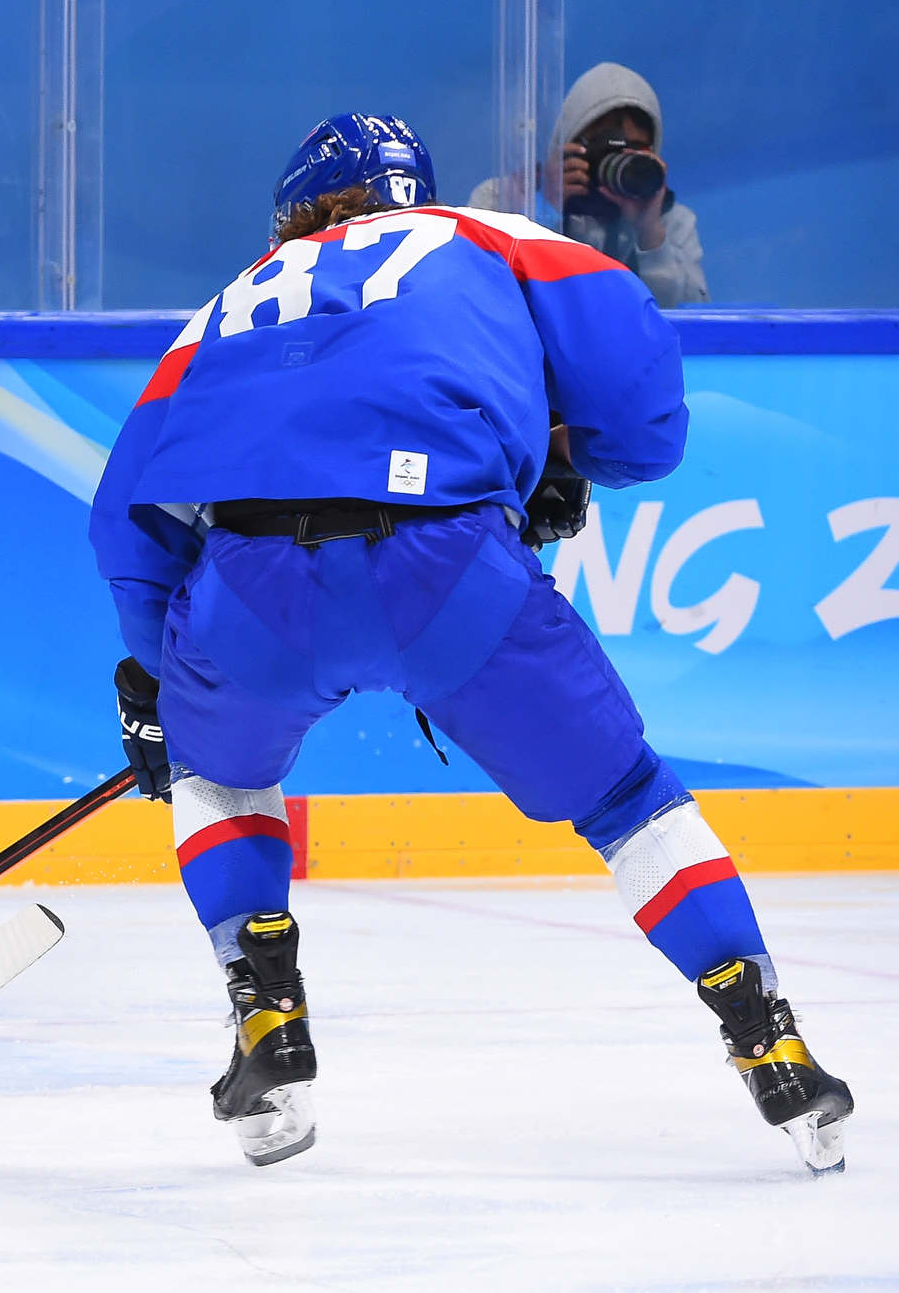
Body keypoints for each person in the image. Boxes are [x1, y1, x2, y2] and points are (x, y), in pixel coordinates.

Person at [90, 113, 850, 1172]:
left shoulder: (230, 299)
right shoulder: (481, 234)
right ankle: (764, 1035)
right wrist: (588, 449)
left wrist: (151, 676)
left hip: (250, 587)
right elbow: (630, 355)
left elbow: (128, 517)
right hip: (442, 567)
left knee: (217, 784)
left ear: (302, 207)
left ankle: (266, 1017)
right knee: (627, 800)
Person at [469, 62, 708, 308]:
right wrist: (546, 210)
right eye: (603, 149)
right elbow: (484, 300)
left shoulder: (672, 223)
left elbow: (687, 325)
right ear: (568, 142)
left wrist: (650, 235)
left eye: (633, 151)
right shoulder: (503, 200)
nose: (617, 163)